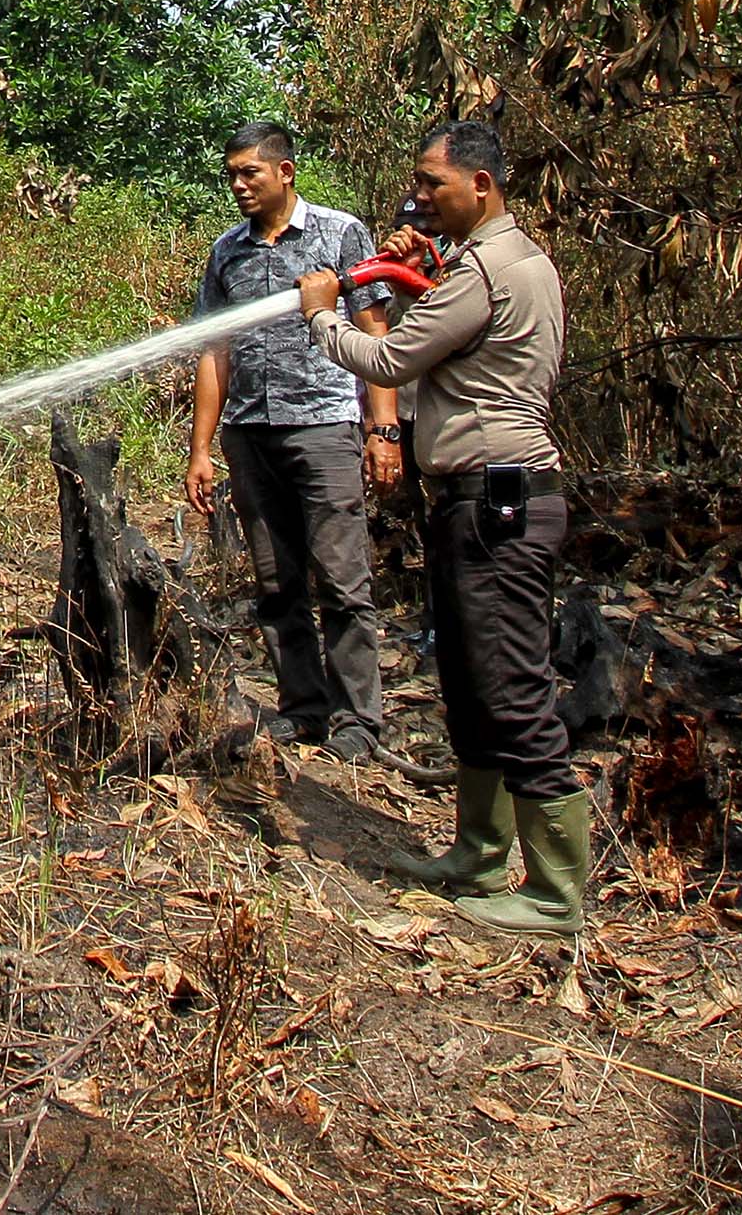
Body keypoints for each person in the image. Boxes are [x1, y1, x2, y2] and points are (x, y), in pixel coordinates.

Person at [299, 116, 586, 934]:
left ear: (481, 186)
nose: (418, 194)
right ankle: (478, 854)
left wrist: (326, 313)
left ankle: (555, 894)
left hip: (501, 499)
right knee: (471, 683)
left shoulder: (489, 269)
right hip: (482, 498)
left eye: (432, 182)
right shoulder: (503, 261)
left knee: (514, 689)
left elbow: (390, 360)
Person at [175, 121, 402, 761]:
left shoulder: (340, 234)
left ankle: (360, 719)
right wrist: (202, 449)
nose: (239, 185)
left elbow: (374, 329)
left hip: (324, 427)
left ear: (285, 173)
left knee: (342, 577)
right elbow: (214, 352)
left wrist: (382, 429)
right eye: (232, 175)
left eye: (250, 172)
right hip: (251, 434)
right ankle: (303, 707)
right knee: (277, 583)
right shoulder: (228, 253)